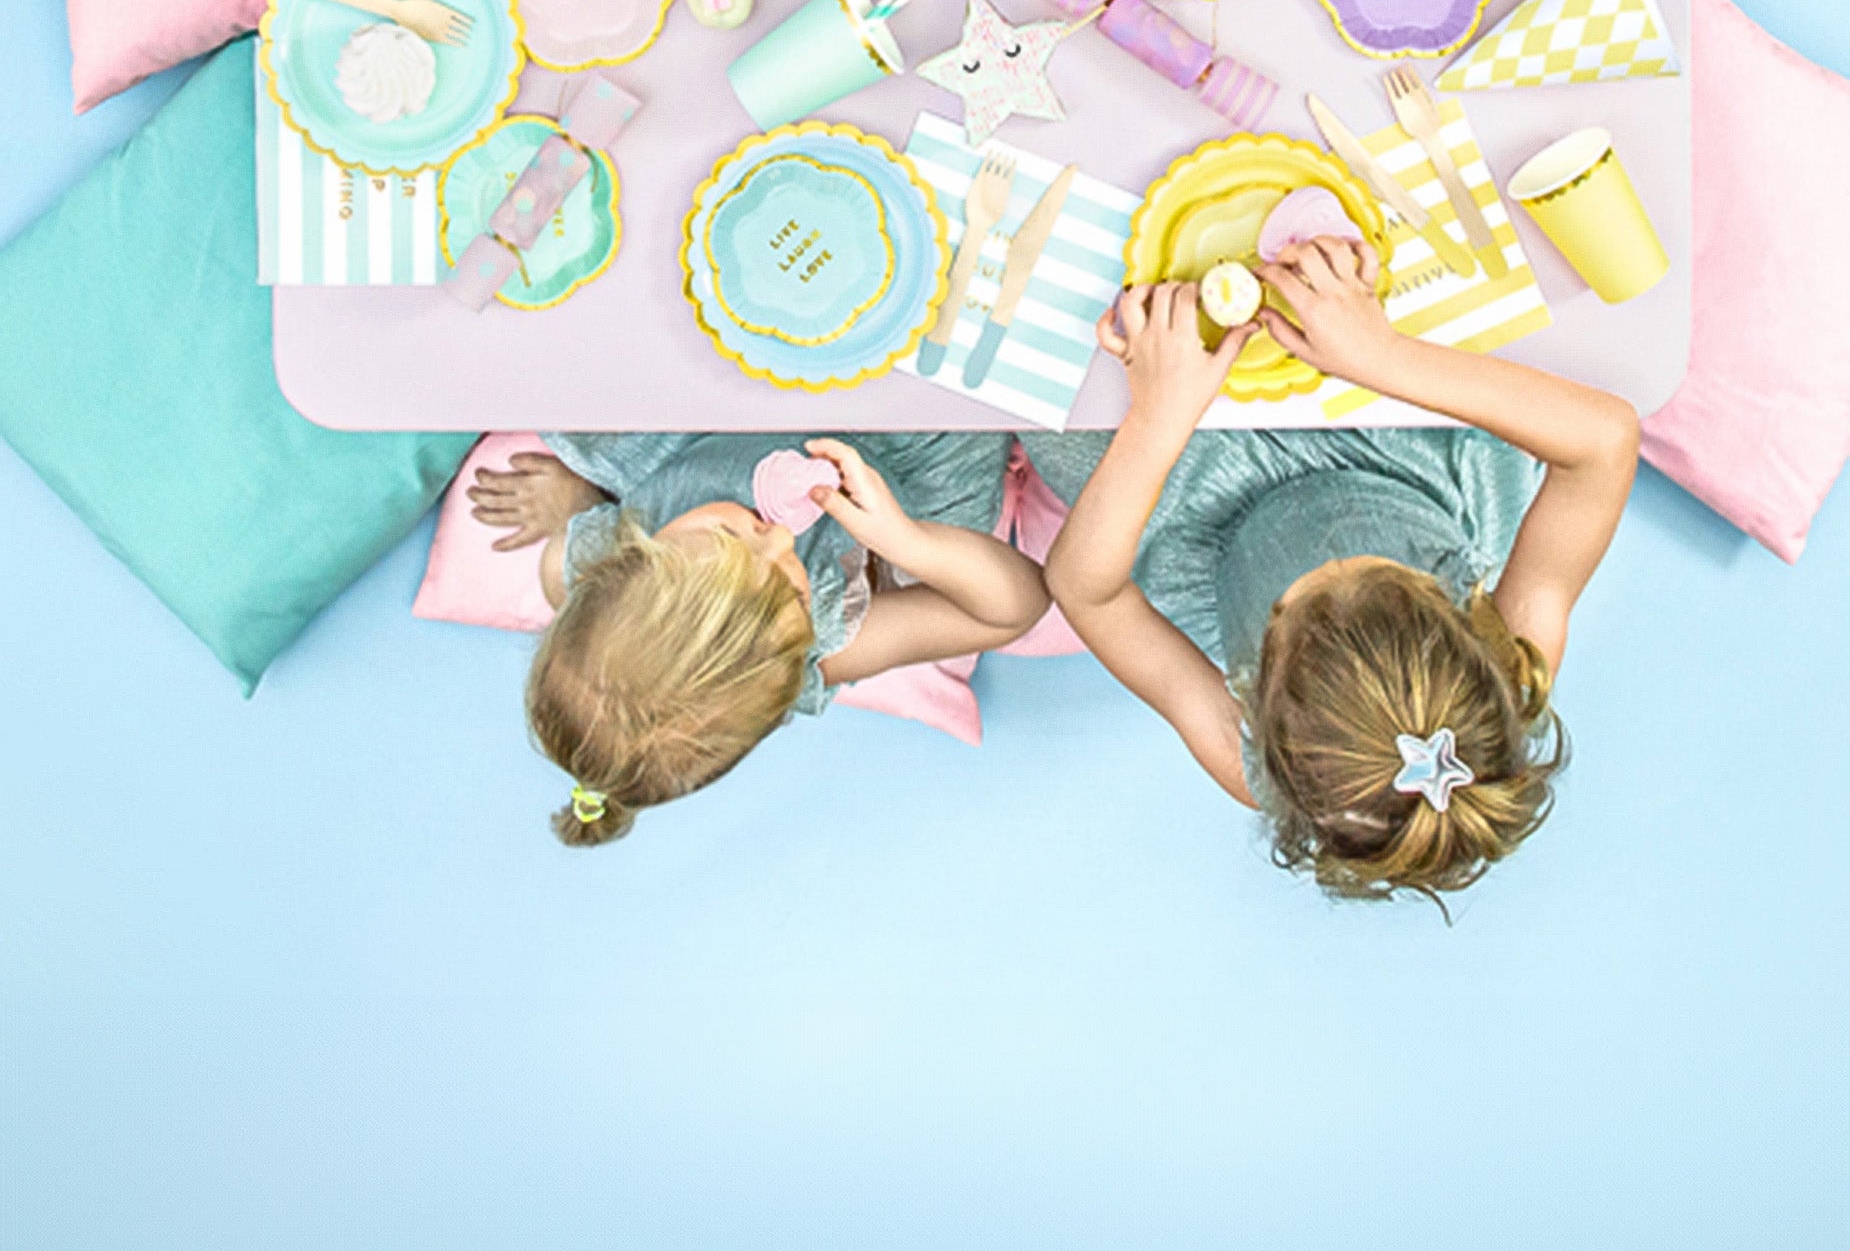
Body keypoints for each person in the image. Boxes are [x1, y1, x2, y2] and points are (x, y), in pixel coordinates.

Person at [1039, 240, 1638, 902]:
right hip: (1398, 445)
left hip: (1200, 493)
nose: (1330, 559)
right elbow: (1605, 441)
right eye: (1375, 565)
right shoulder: (1510, 672)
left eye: (1296, 598)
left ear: (1266, 702)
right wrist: (1381, 356)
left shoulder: (1258, 767)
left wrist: (1157, 419)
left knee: (1053, 372)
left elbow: (1085, 591)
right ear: (1466, 629)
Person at [469, 430, 1047, 845]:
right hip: (893, 454)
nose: (780, 540)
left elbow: (560, 572)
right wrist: (906, 542)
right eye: (793, 593)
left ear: (627, 555)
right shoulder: (814, 645)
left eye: (730, 533)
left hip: (711, 433)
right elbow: (1015, 608)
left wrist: (584, 499)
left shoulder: (601, 557)